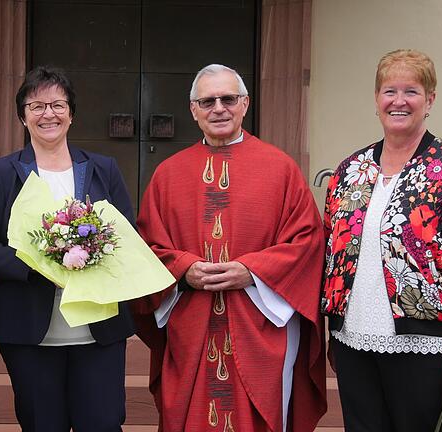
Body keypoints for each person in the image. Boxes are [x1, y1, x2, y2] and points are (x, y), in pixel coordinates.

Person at [134, 64, 327, 432]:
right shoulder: (168, 174)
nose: (218, 108)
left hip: (259, 325)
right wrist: (184, 269)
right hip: (191, 325)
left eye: (228, 99)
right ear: (193, 110)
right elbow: (148, 248)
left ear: (245, 104)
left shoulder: (281, 169)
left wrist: (252, 272)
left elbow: (306, 242)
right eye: (207, 101)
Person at [322, 49, 442, 431]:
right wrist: (330, 329)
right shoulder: (350, 170)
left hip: (425, 342)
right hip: (352, 339)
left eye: (411, 91)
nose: (398, 101)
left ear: (429, 100)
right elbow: (330, 253)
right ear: (376, 99)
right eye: (389, 91)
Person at [0, 66, 135, 431]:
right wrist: (34, 264)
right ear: (23, 116)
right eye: (37, 106)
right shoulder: (2, 172)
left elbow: (127, 235)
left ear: (71, 113)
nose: (49, 114)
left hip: (99, 329)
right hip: (29, 328)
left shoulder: (102, 169)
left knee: (103, 423)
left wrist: (93, 250)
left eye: (58, 105)